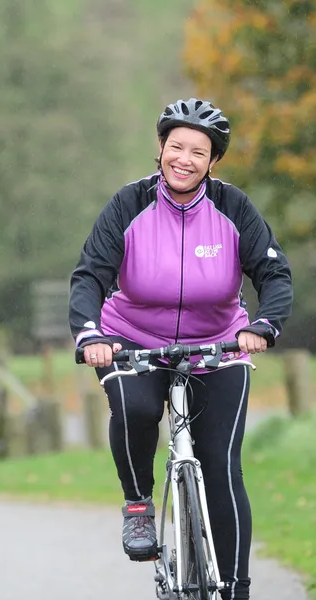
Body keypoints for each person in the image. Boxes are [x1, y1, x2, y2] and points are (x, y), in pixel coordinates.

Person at [69, 98, 293, 600]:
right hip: (132, 338)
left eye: (198, 151)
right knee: (136, 405)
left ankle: (235, 588)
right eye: (176, 147)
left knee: (220, 465)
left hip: (219, 344)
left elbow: (274, 273)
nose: (184, 159)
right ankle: (136, 505)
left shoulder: (234, 208)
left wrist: (263, 325)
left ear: (213, 162)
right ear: (161, 149)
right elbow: (90, 276)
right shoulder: (129, 204)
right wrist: (89, 334)